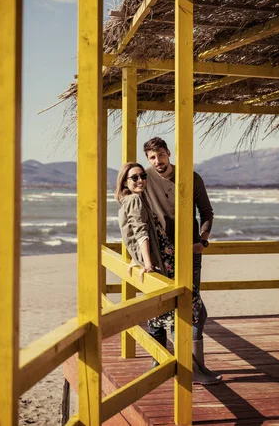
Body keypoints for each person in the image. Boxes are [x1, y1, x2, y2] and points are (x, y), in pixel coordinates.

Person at [143, 136, 222, 385]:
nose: (158, 161)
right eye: (152, 158)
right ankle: (160, 361)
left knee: (193, 308)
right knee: (158, 307)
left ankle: (193, 366)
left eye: (161, 155)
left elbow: (206, 211)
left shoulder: (190, 177)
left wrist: (203, 240)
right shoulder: (142, 178)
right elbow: (134, 213)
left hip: (189, 252)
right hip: (159, 255)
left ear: (168, 153)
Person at [115, 162, 176, 350]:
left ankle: (160, 359)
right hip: (161, 261)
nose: (141, 180)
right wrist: (147, 263)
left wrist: (136, 259)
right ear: (125, 182)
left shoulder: (134, 199)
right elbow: (140, 232)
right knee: (174, 311)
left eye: (143, 176)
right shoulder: (134, 200)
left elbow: (131, 233)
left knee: (159, 311)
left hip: (161, 257)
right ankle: (183, 361)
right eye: (135, 177)